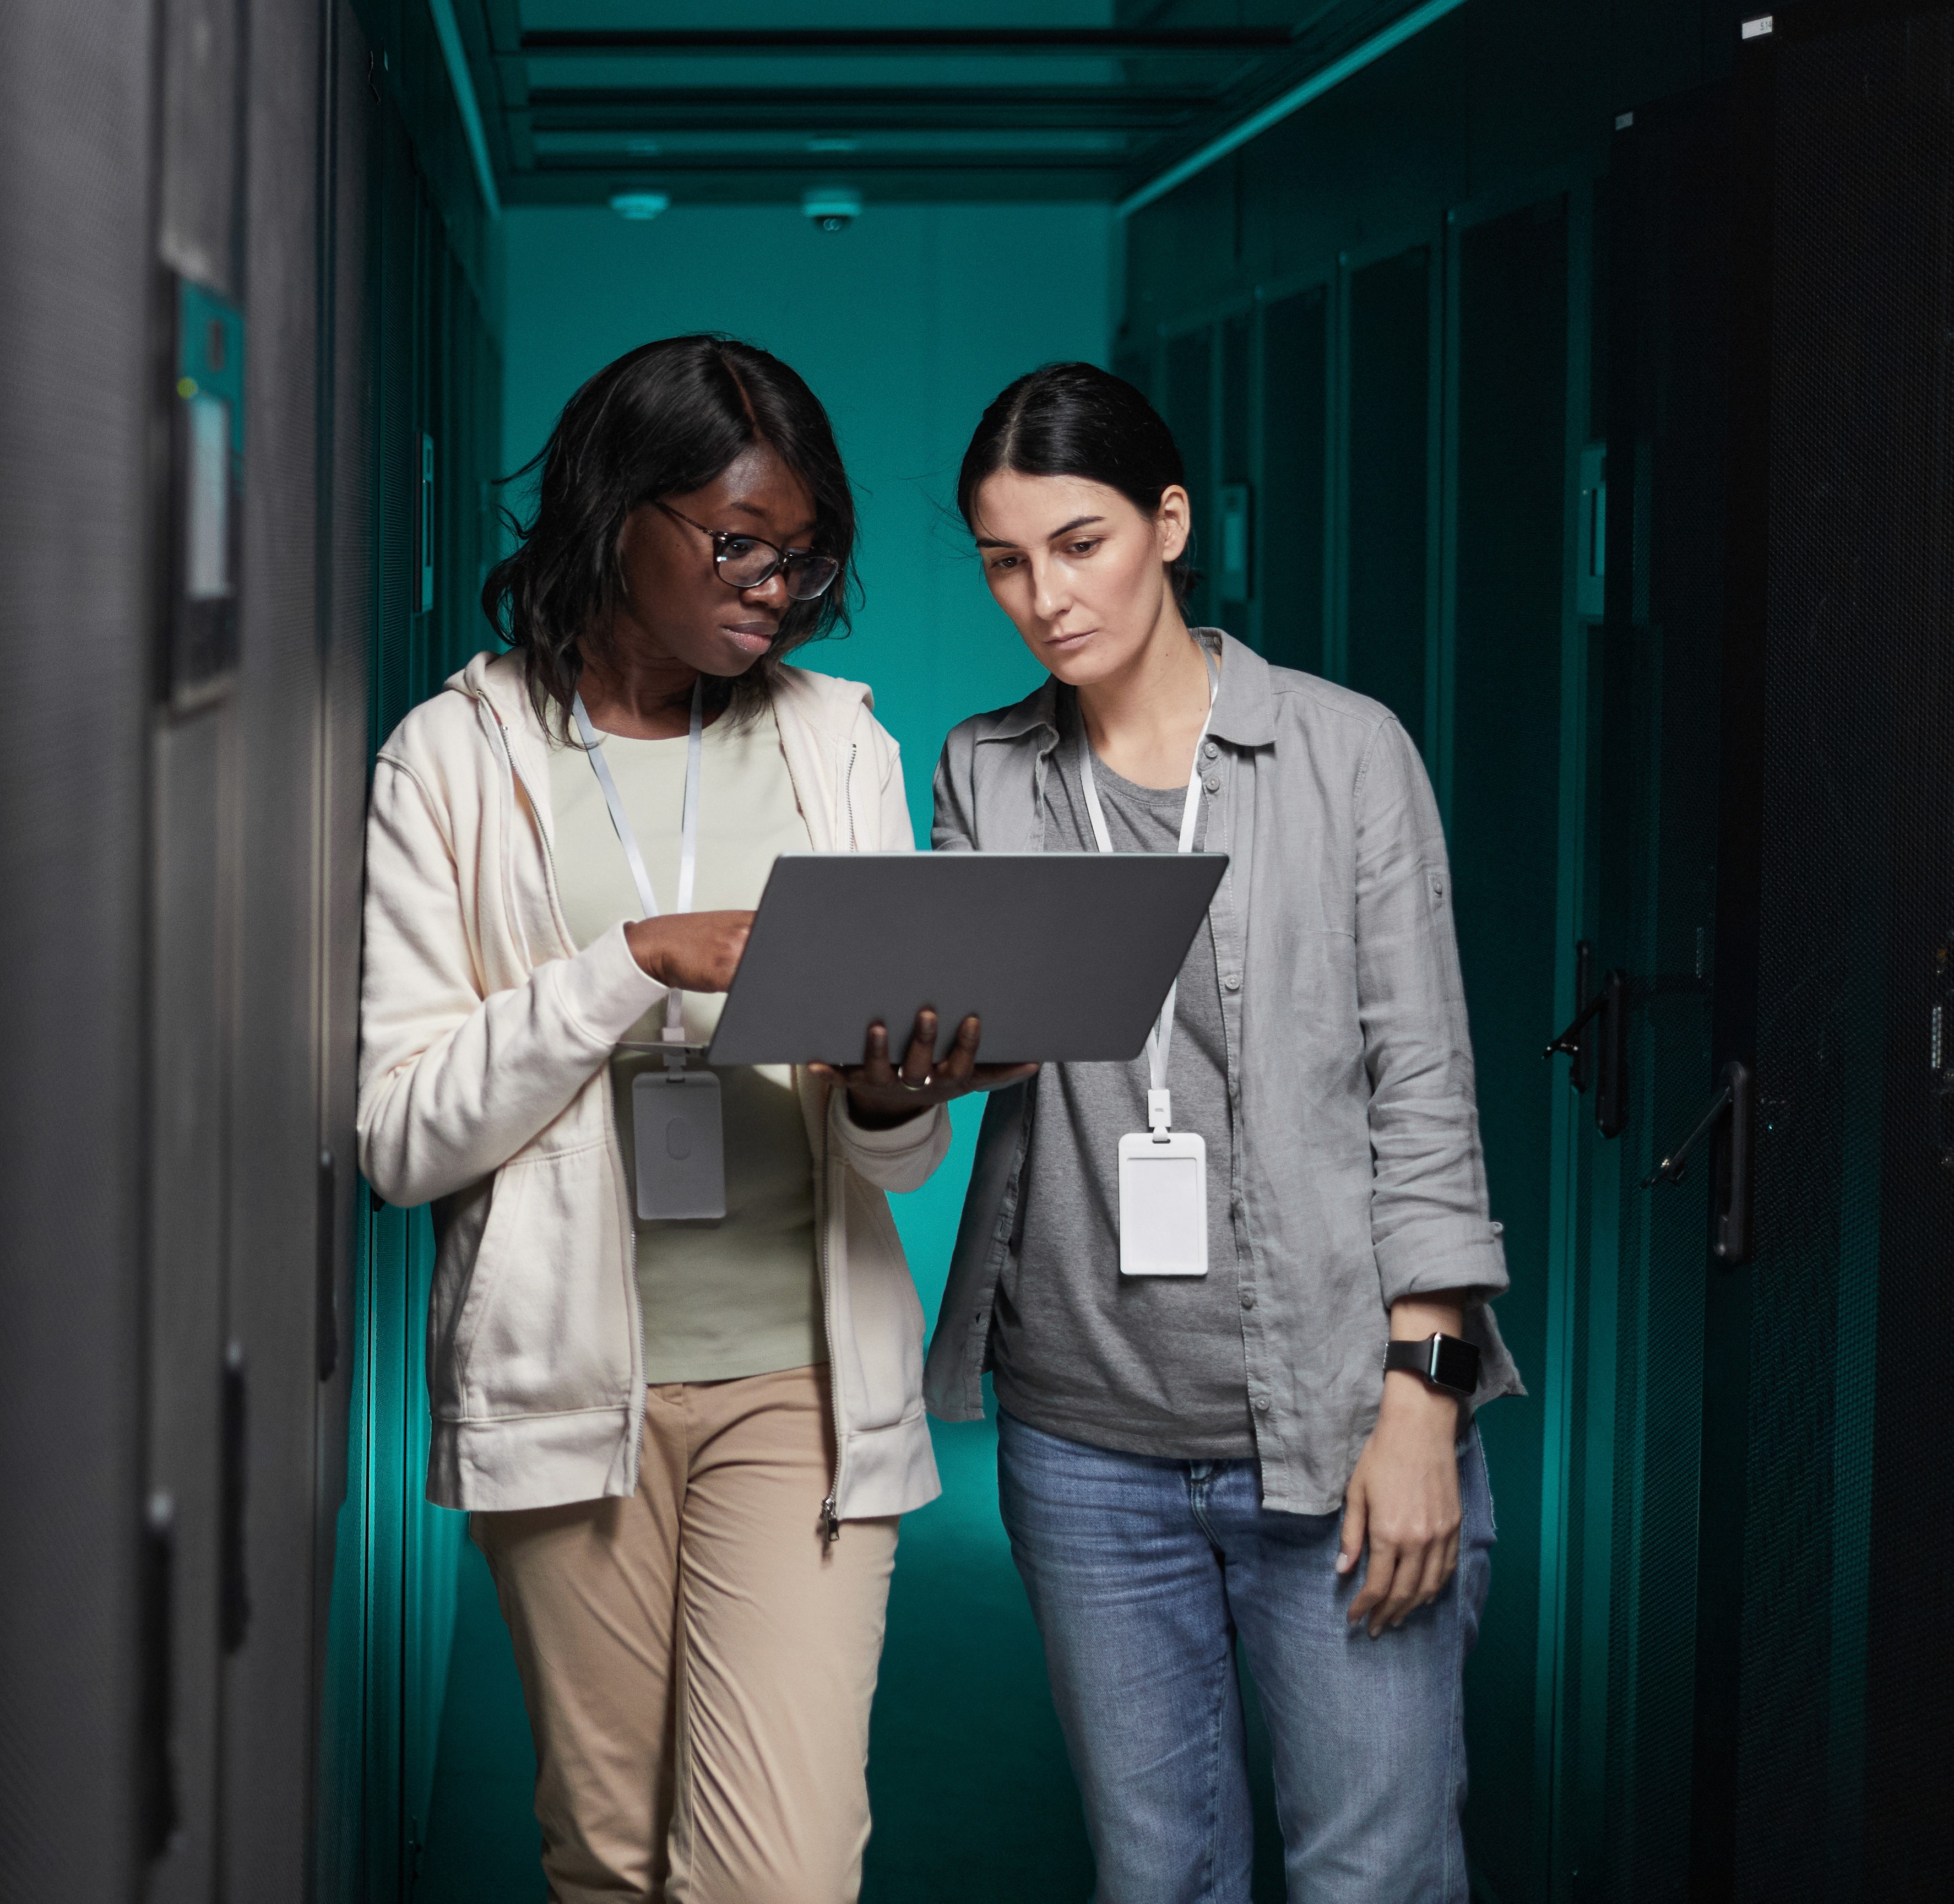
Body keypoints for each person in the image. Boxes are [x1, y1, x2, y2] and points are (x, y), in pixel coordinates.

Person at [355, 334, 989, 1904]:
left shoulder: (836, 742)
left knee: (777, 1873)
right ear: (615, 512)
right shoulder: (451, 758)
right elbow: (401, 1134)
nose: (776, 586)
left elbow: (887, 1144)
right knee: (615, 1857)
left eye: (804, 555)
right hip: (567, 1393)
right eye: (738, 544)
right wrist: (632, 964)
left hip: (802, 1380)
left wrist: (902, 1090)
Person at [917, 360, 1516, 1904]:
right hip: (1085, 1444)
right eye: (1004, 558)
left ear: (1169, 524)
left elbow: (1427, 1098)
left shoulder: (1345, 754)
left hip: (1335, 1426)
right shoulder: (986, 772)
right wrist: (891, 1059)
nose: (1043, 595)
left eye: (1081, 540)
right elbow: (974, 1066)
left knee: (1373, 1877)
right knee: (1159, 1879)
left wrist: (1422, 1405)